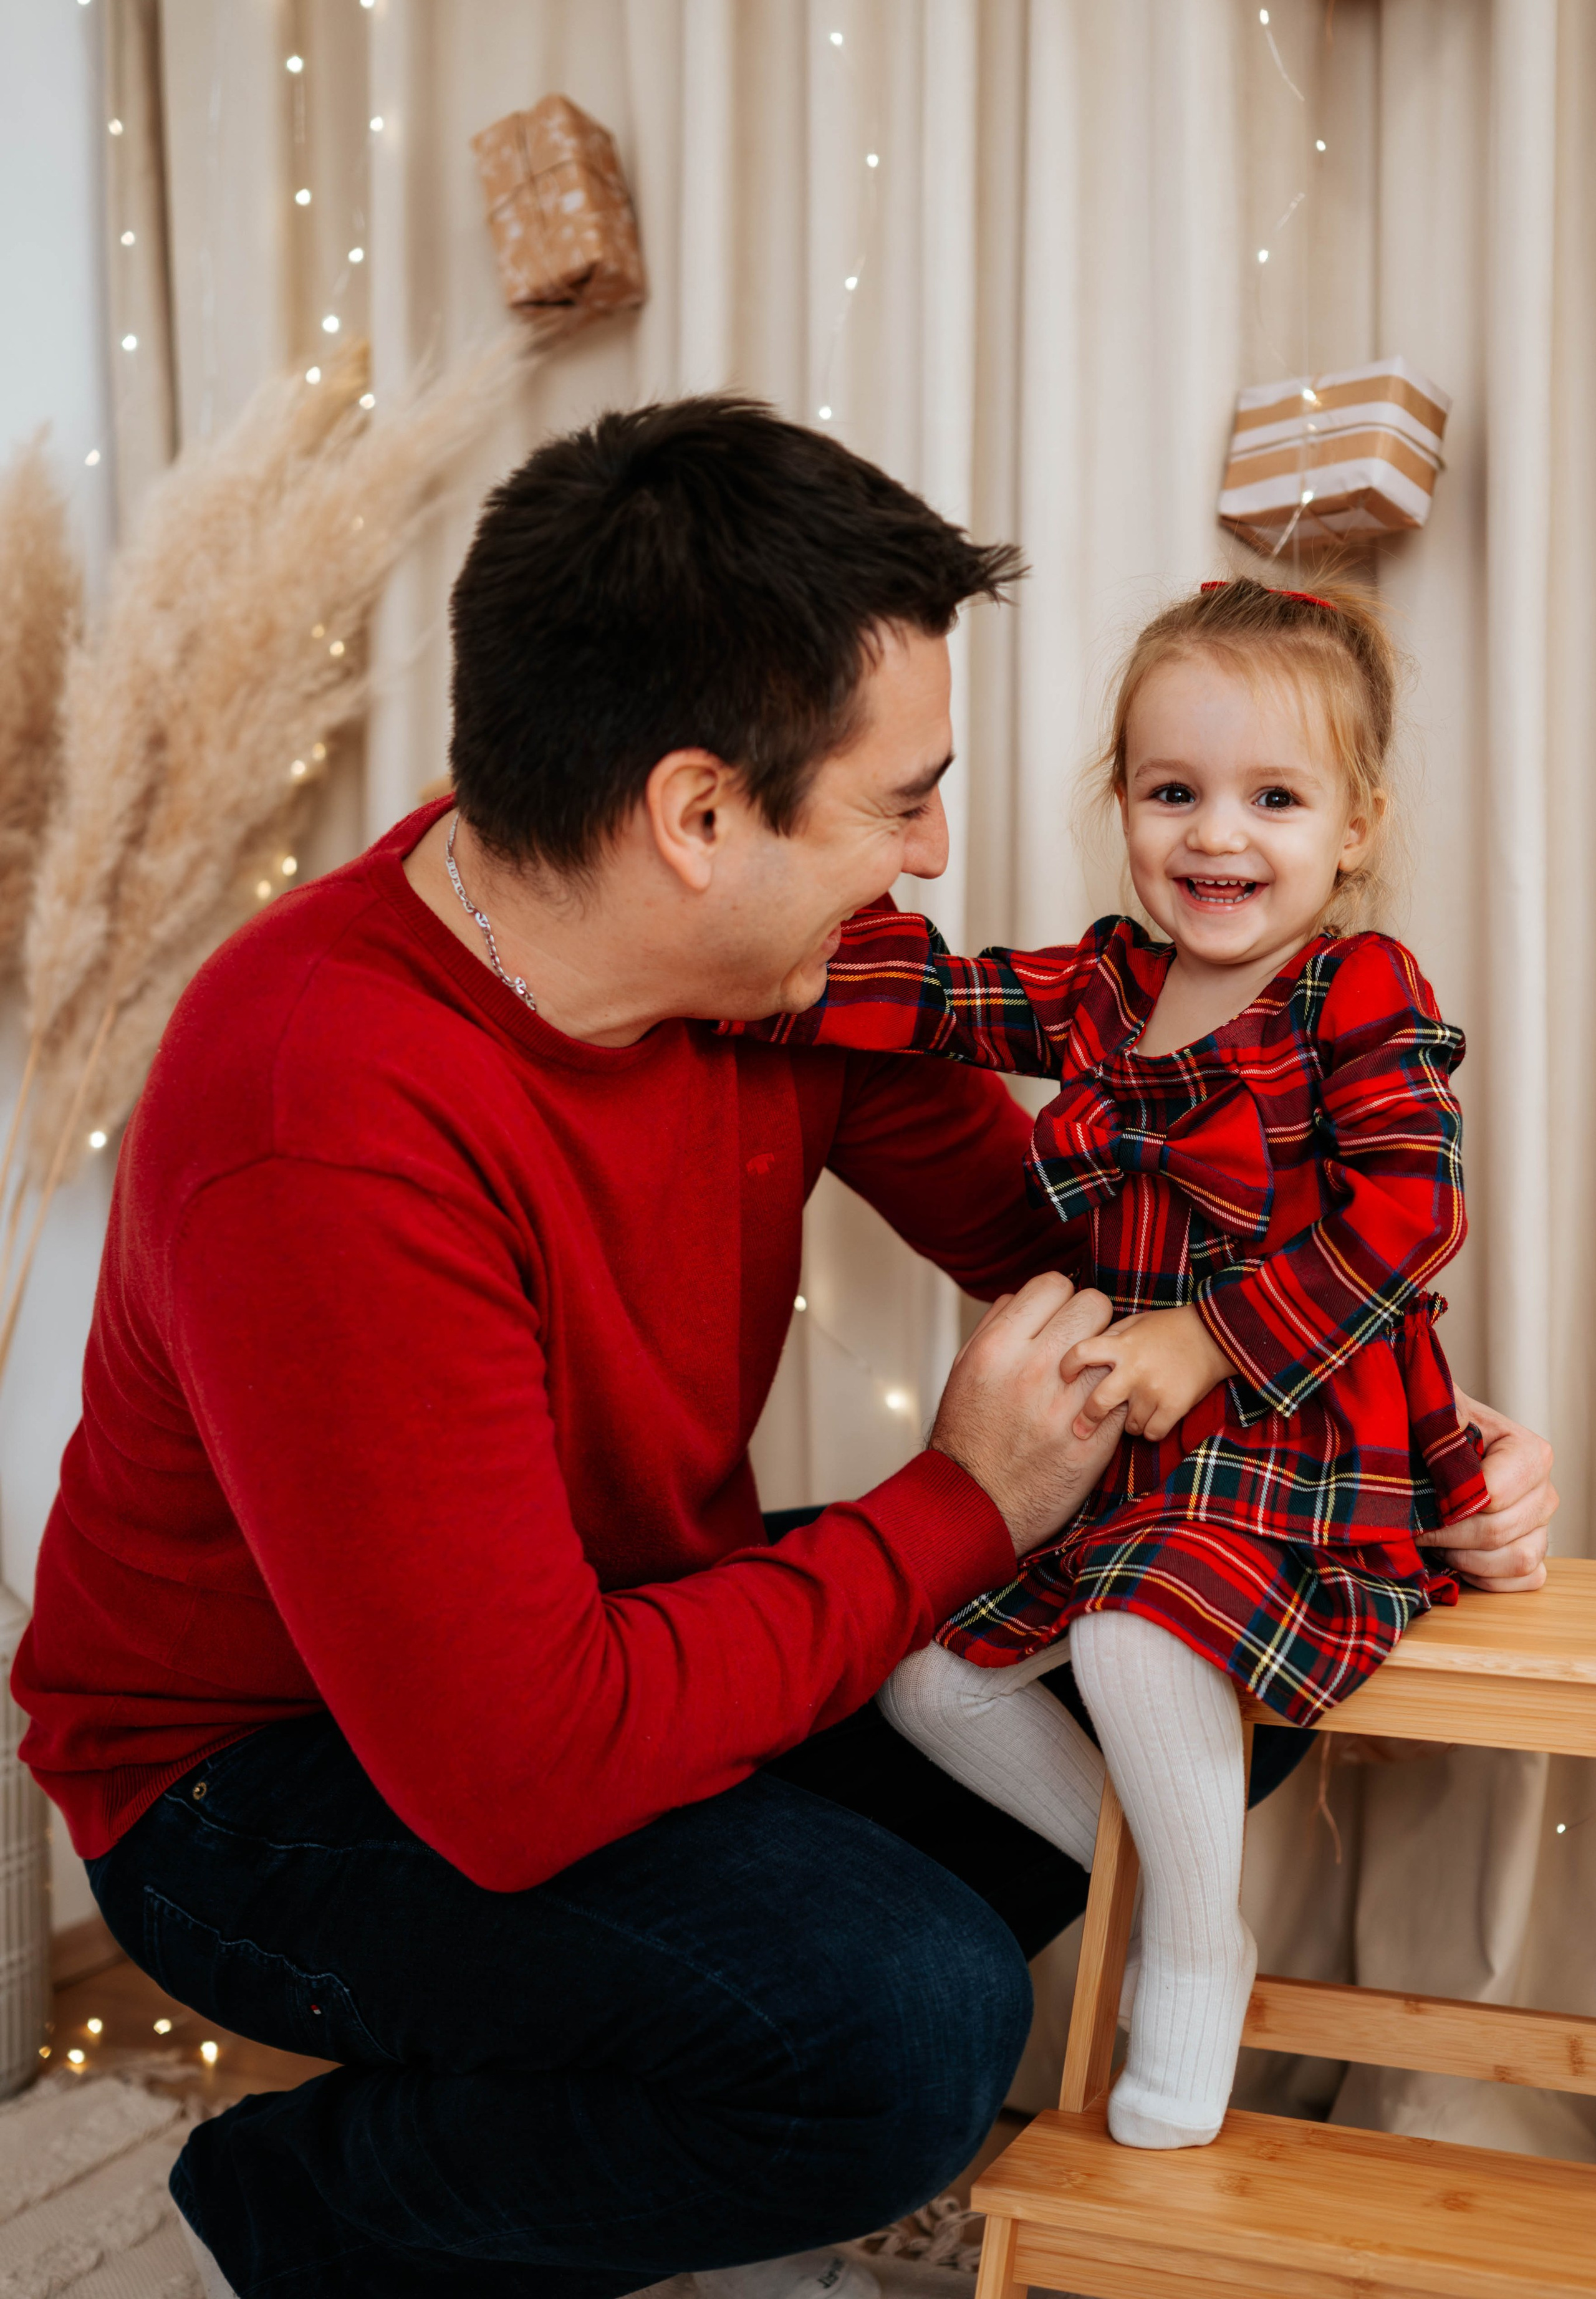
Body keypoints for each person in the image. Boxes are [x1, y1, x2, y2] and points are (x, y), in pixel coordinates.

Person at [11, 408, 1554, 2299]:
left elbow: (1086, 1259)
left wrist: (1393, 1425)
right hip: (271, 1783)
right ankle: (318, 2213)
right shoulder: (319, 1113)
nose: (931, 847)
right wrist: (965, 1508)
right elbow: (514, 1762)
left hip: (606, 1634)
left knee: (1230, 1632)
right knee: (901, 2028)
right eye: (898, 796)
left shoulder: (785, 985)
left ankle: (702, 2033)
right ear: (696, 815)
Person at [736, 574, 1518, 2154]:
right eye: (1174, 792)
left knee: (1134, 1636)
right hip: (1144, 1454)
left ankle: (1179, 1961)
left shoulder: (1357, 993)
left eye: (1271, 798)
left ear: (1351, 828)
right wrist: (789, 969)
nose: (1214, 836)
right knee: (929, 1674)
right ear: (1123, 803)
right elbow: (956, 1002)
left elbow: (1411, 1219)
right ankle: (1175, 1905)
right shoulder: (1111, 983)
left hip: (1296, 1433)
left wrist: (1206, 1334)